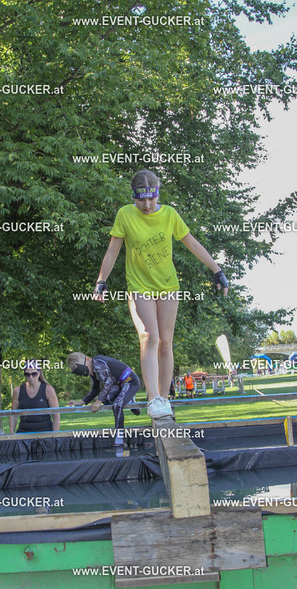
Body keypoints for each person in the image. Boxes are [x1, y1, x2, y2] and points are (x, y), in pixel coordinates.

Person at [93, 169, 229, 418]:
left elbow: (192, 243)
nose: (146, 205)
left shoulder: (170, 215)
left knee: (165, 342)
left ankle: (164, 399)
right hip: (139, 286)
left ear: (158, 195)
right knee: (149, 337)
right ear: (133, 196)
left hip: (167, 286)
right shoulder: (125, 214)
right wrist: (101, 280)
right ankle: (153, 398)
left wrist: (216, 270)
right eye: (141, 199)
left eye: (151, 198)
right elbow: (112, 251)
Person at [67, 352, 141, 446]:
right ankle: (129, 399)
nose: (84, 372)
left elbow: (108, 383)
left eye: (82, 368)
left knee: (117, 405)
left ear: (88, 359)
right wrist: (81, 402)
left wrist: (98, 402)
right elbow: (95, 389)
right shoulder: (93, 370)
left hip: (130, 382)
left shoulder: (98, 362)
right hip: (119, 386)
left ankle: (119, 439)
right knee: (106, 399)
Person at [9, 360, 60, 434]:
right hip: (24, 432)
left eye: (34, 374)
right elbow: (13, 415)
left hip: (45, 432)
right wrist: (12, 434)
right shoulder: (18, 390)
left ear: (39, 373)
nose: (30, 377)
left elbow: (56, 416)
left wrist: (54, 436)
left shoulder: (48, 389)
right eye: (27, 374)